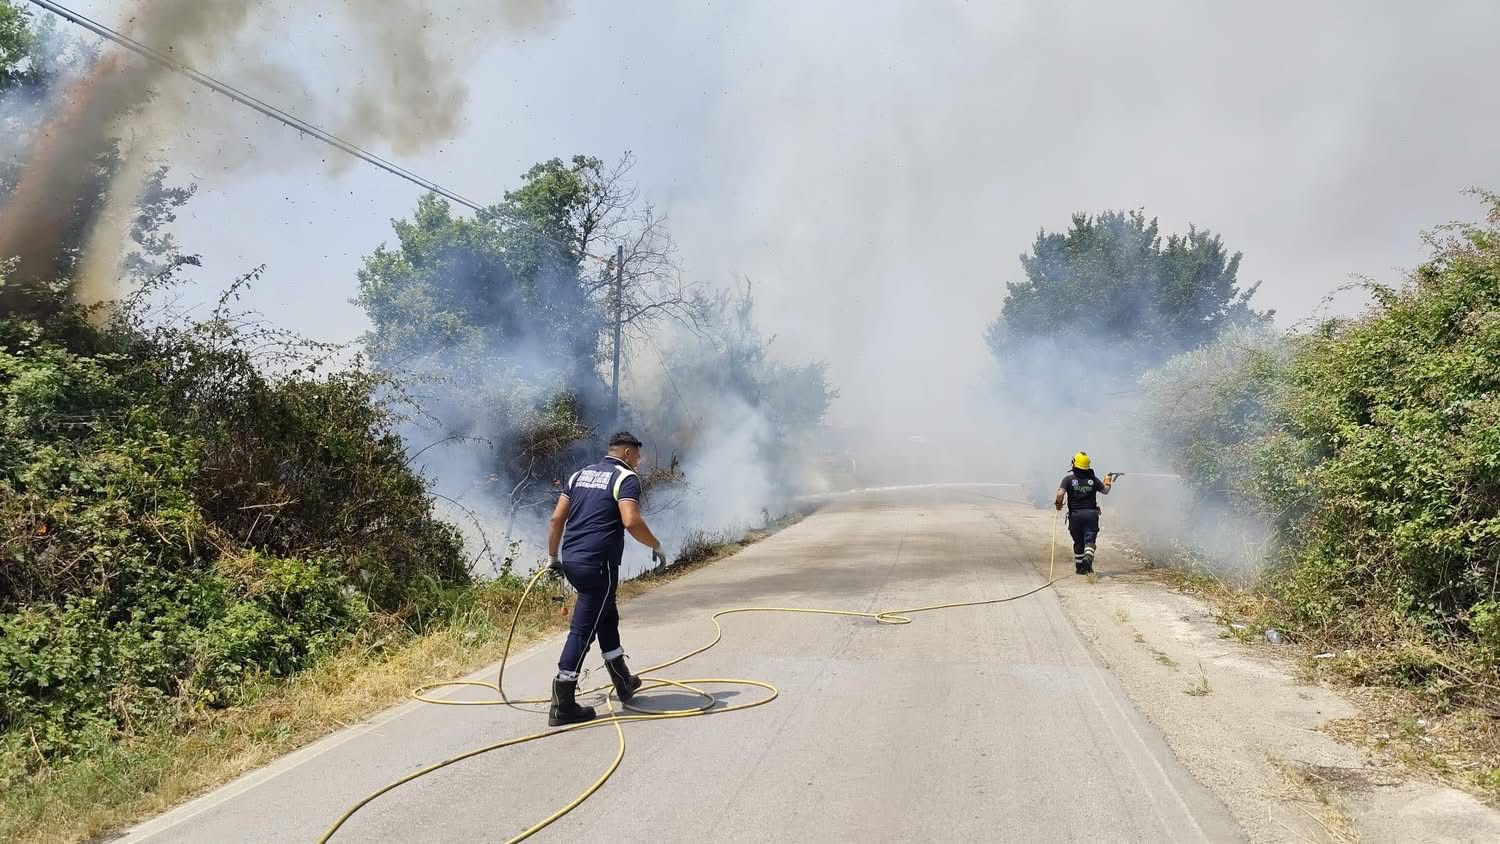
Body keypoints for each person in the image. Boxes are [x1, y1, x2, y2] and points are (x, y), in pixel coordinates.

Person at [545, 431, 669, 726]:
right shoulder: (625, 478)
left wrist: (553, 558)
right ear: (627, 453)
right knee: (582, 630)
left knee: (606, 616)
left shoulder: (580, 475)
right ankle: (563, 702)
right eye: (637, 455)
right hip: (599, 565)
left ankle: (623, 681)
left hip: (573, 561)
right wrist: (656, 546)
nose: (639, 461)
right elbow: (631, 521)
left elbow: (557, 518)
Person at [1053, 451, 1118, 575]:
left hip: (1075, 515)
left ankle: (1080, 568)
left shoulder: (1068, 479)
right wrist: (1108, 481)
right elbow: (1105, 491)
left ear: (1074, 464)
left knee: (1078, 541)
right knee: (1089, 539)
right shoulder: (1093, 480)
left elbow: (1060, 493)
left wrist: (1058, 504)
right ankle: (1088, 558)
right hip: (1091, 515)